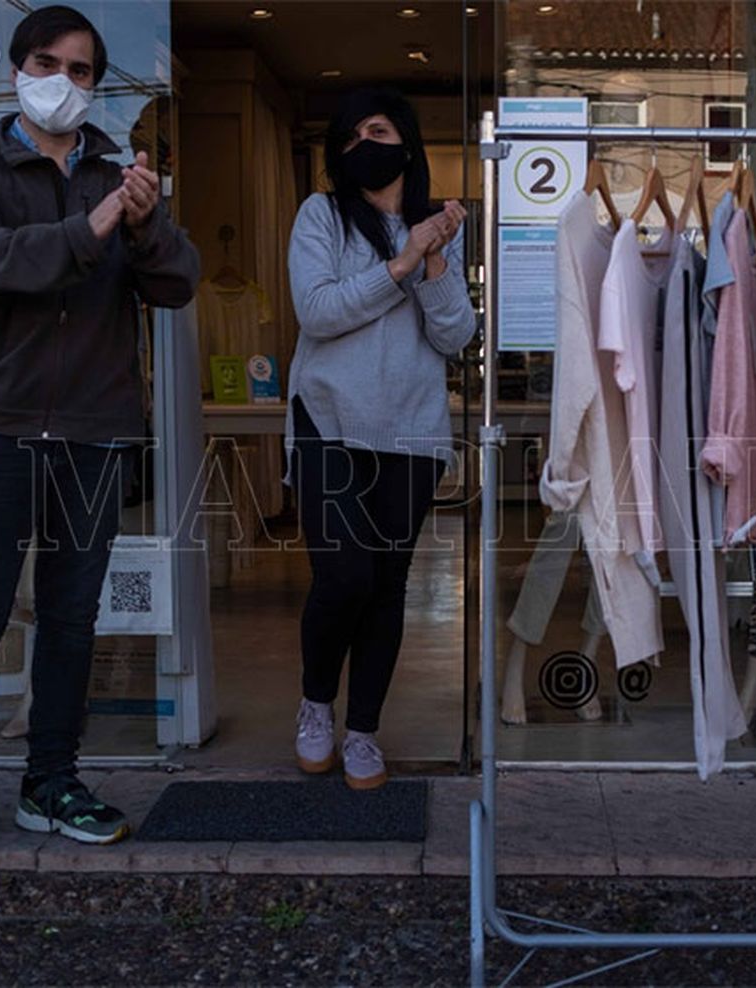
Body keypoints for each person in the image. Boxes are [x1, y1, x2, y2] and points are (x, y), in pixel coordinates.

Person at [0, 5, 199, 865]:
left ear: (95, 84)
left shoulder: (117, 173)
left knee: (71, 619)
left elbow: (177, 286)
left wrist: (144, 225)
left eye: (81, 70)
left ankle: (50, 781)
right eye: (48, 62)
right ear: (15, 71)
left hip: (94, 431)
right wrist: (94, 226)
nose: (63, 82)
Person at [286, 87, 474, 790]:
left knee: (388, 584)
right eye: (350, 136)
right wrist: (401, 263)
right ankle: (315, 704)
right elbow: (319, 311)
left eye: (378, 128)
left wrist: (430, 263)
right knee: (344, 575)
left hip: (412, 435)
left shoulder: (436, 232)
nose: (364, 143)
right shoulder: (322, 216)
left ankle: (362, 729)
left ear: (407, 142)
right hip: (329, 425)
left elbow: (456, 335)